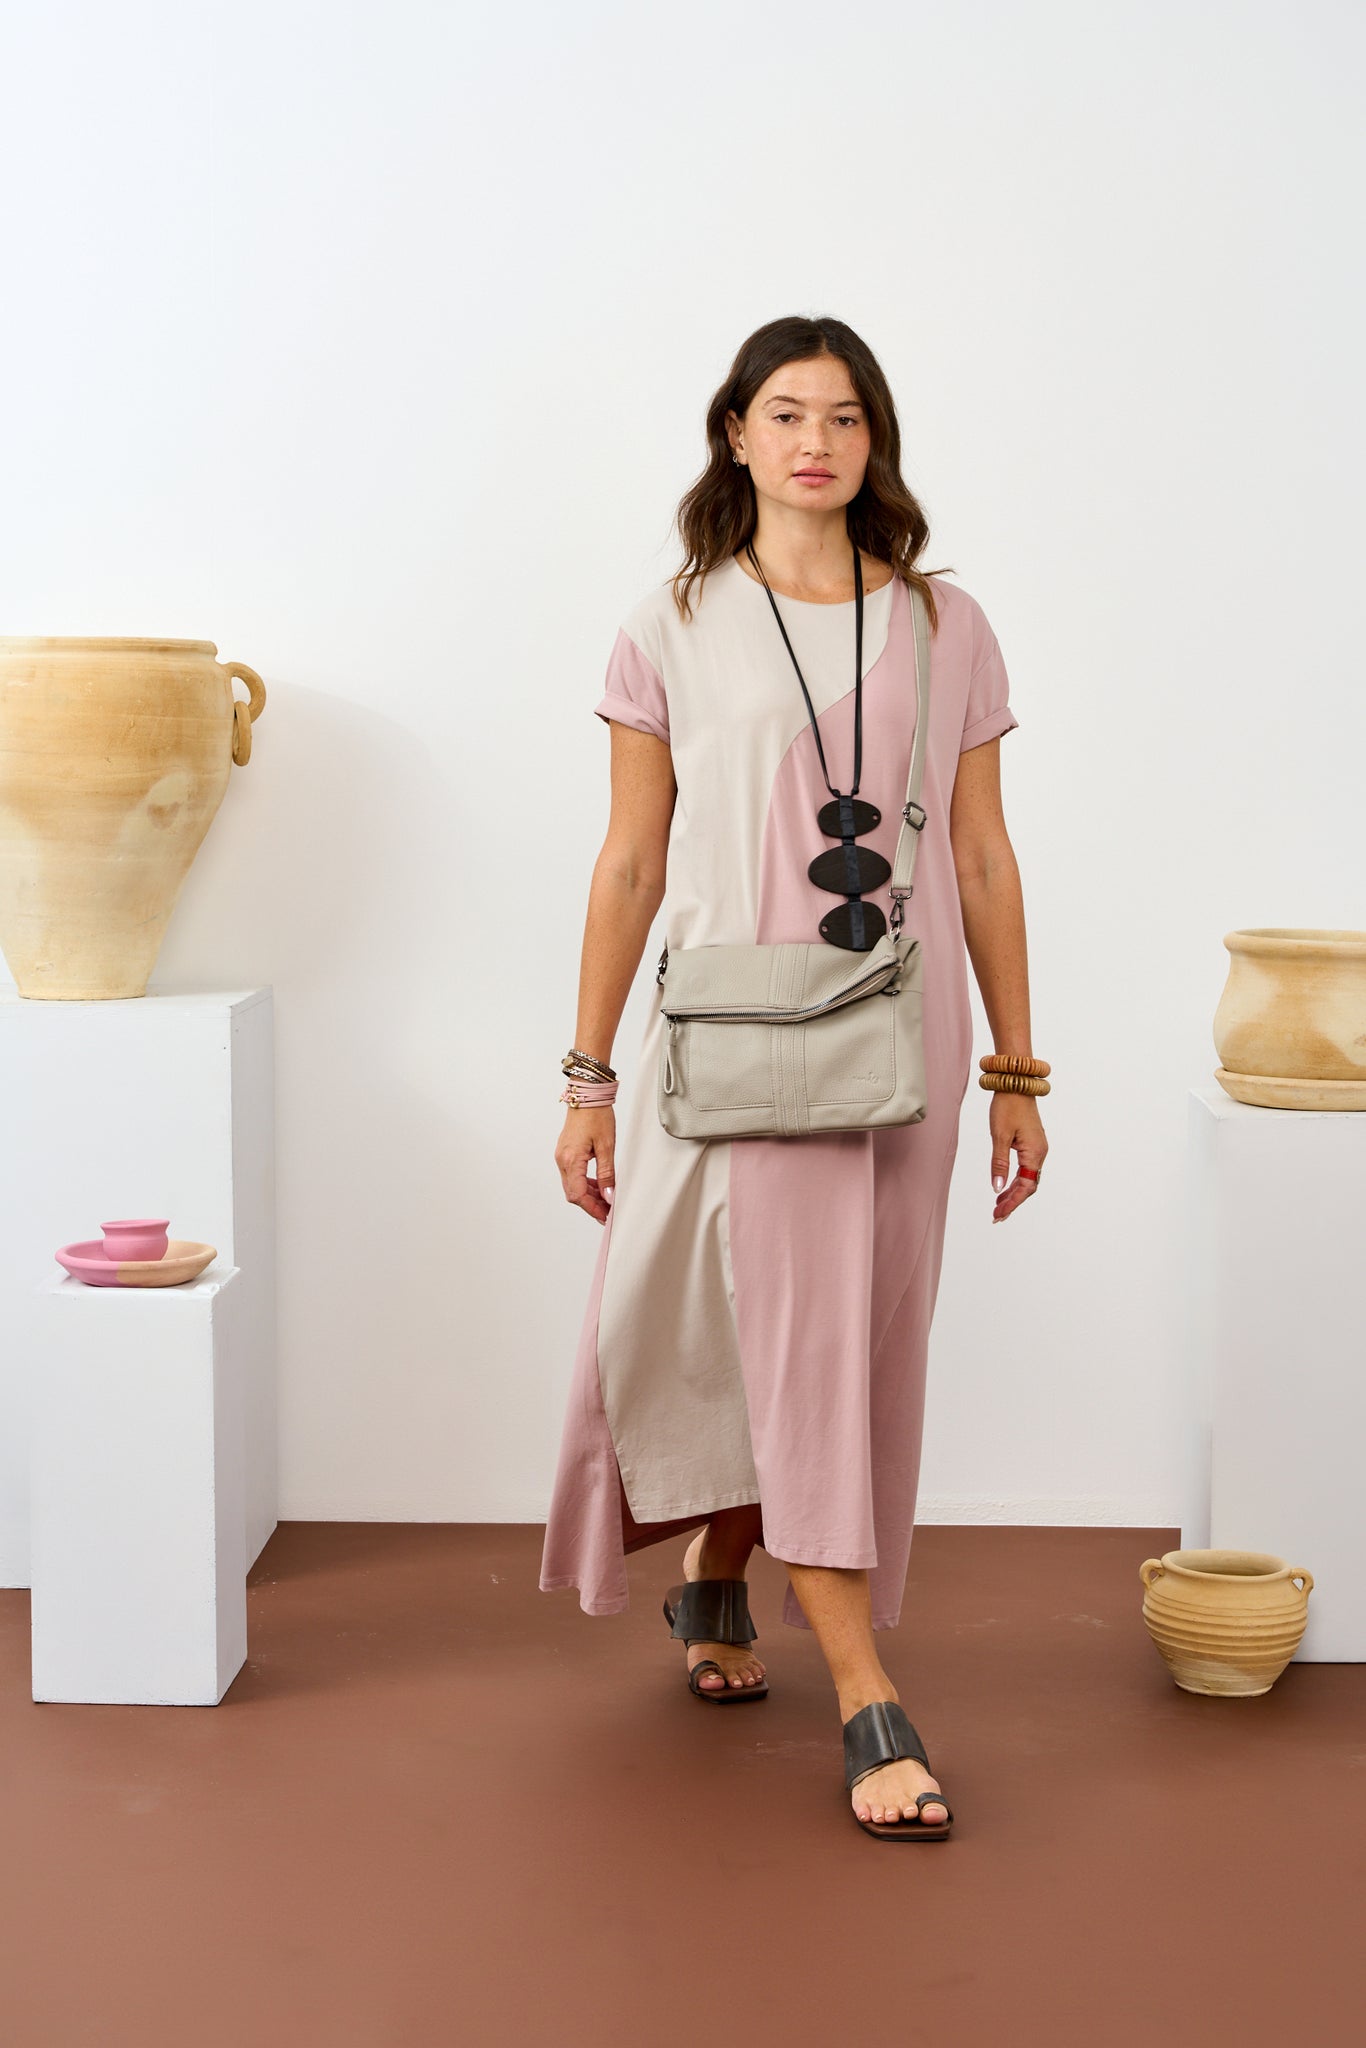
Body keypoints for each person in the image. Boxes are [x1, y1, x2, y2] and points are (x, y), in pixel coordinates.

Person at [541, 313, 1048, 1841]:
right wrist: (585, 1078)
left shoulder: (948, 625)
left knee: (852, 1348)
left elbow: (980, 857)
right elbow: (630, 863)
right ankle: (863, 1693)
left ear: (872, 440)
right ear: (736, 434)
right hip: (734, 1041)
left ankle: (715, 1573)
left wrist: (1017, 1069)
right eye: (783, 413)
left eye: (842, 416)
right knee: (784, 1336)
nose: (813, 440)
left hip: (901, 1043)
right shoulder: (669, 623)